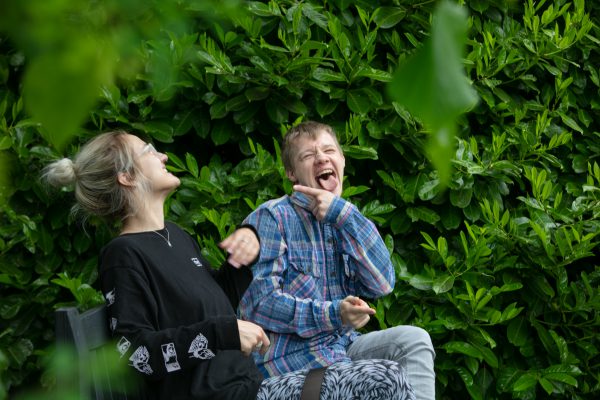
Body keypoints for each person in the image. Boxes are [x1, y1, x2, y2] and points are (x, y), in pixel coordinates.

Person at [43, 130, 416, 400]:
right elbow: (135, 354)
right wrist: (222, 333)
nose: (163, 157)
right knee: (383, 378)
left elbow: (218, 300)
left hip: (249, 387)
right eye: (149, 152)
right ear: (127, 177)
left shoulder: (176, 236)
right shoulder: (123, 255)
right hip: (223, 395)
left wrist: (245, 255)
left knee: (392, 367)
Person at [238, 121, 436, 399]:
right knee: (379, 376)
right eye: (308, 155)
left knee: (413, 340)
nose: (321, 158)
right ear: (291, 172)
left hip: (342, 348)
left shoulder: (345, 220)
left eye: (329, 150)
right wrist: (335, 314)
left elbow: (382, 283)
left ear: (342, 160)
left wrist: (345, 215)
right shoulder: (271, 218)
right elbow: (260, 304)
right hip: (290, 363)